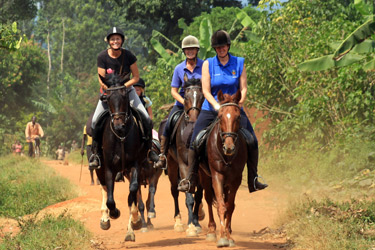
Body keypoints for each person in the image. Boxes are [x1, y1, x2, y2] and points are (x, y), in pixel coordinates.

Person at [177, 30, 268, 193]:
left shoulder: (239, 62)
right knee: (195, 140)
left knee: (252, 141)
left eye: (224, 46)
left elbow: (244, 87)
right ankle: (190, 179)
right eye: (218, 47)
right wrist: (216, 106)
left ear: (228, 46)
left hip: (233, 108)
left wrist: (238, 103)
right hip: (211, 108)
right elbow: (205, 90)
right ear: (215, 49)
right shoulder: (208, 64)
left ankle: (253, 178)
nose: (221, 49)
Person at [89, 27, 159, 169]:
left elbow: (136, 77)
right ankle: (96, 154)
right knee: (95, 121)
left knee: (145, 117)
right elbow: (101, 80)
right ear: (109, 41)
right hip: (108, 92)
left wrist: (123, 87)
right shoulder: (102, 57)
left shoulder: (129, 56)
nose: (115, 41)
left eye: (118, 38)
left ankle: (149, 151)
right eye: (113, 39)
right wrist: (112, 90)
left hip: (127, 90)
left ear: (122, 40)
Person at [154, 35, 204, 169]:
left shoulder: (205, 66)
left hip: (201, 103)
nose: (190, 52)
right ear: (184, 52)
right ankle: (163, 155)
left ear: (197, 50)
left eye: (192, 49)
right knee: (168, 123)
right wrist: (184, 102)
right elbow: (174, 91)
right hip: (182, 104)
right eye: (187, 50)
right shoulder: (179, 69)